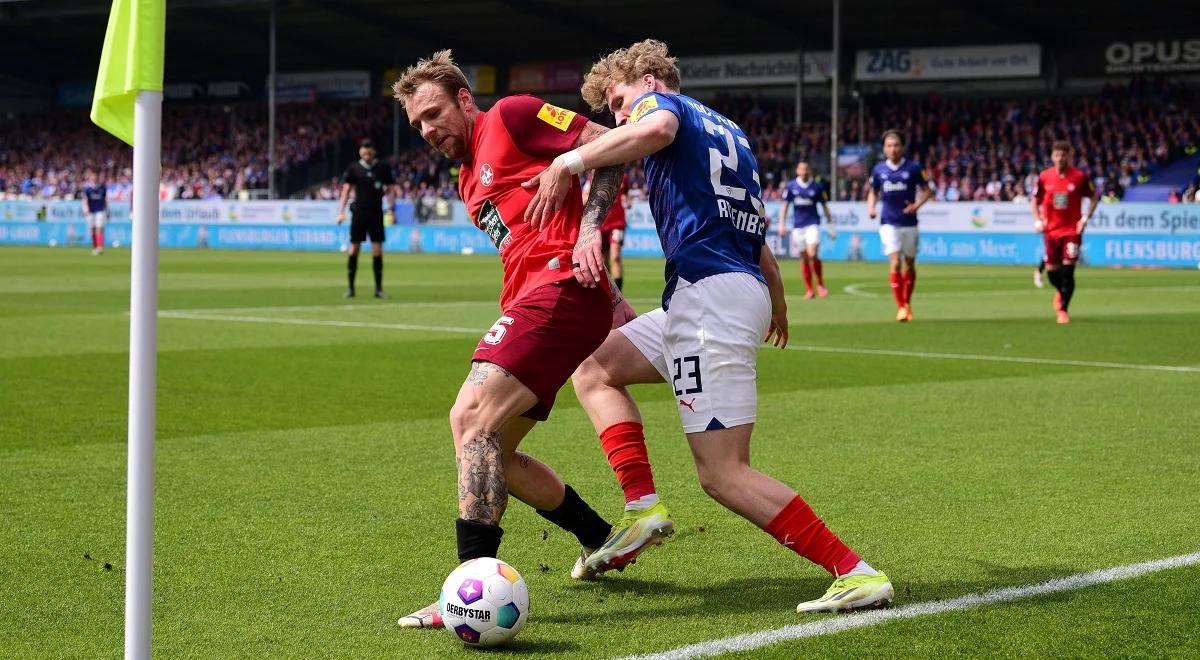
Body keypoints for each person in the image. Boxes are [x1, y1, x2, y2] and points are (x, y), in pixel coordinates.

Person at [523, 39, 893, 614]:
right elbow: (752, 233)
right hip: (710, 295)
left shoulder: (661, 109)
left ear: (646, 78)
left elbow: (655, 129)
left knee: (722, 474)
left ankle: (854, 571)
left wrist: (568, 162)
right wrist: (776, 297)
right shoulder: (730, 131)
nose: (618, 117)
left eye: (619, 101)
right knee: (595, 368)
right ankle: (642, 507)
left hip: (709, 302)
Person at [390, 50, 647, 630]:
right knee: (495, 450)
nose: (429, 130)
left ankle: (469, 587)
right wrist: (608, 298)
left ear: (463, 99)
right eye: (418, 125)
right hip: (548, 301)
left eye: (434, 113)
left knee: (470, 418)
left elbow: (609, 144)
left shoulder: (510, 114)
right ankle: (603, 539)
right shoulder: (465, 177)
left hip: (559, 292)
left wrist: (589, 237)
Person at [866, 130, 933, 322]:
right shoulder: (879, 170)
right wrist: (871, 207)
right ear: (884, 149)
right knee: (895, 262)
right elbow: (873, 191)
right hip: (888, 222)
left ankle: (907, 302)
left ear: (902, 147)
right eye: (889, 146)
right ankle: (901, 307)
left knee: (909, 263)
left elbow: (928, 191)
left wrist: (917, 205)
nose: (892, 149)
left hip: (909, 223)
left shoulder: (913, 167)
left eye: (896, 145)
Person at [1031, 140, 1098, 324]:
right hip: (1051, 231)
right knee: (1053, 272)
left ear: (1069, 156)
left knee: (1068, 271)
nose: (1060, 158)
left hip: (1071, 231)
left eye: (1064, 154)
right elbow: (1034, 201)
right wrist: (1037, 220)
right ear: (1052, 157)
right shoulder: (1044, 177)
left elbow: (1094, 197)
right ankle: (1061, 292)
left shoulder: (1079, 177)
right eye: (1057, 154)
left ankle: (1063, 310)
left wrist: (1084, 219)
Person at [336, 139, 396, 298]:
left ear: (374, 152)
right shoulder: (353, 168)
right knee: (354, 248)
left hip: (376, 213)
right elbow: (346, 190)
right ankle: (350, 288)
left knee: (377, 250)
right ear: (360, 152)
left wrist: (391, 209)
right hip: (359, 213)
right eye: (363, 150)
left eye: (369, 150)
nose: (366, 153)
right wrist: (340, 211)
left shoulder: (382, 168)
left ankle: (378, 289)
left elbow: (390, 189)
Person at [777, 161, 836, 299]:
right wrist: (782, 224)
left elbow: (824, 206)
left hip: (813, 224)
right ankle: (809, 289)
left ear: (809, 171)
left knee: (812, 253)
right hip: (798, 226)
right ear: (797, 171)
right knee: (804, 258)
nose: (804, 171)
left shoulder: (817, 187)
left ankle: (820, 284)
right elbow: (785, 206)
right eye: (801, 169)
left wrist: (830, 223)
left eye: (806, 169)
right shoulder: (791, 186)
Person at [80, 172, 107, 256]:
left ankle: (100, 247)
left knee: (99, 227)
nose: (94, 179)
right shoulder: (88, 189)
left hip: (100, 210)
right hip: (91, 211)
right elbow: (85, 200)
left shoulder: (102, 188)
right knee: (92, 229)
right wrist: (85, 209)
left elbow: (105, 199)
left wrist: (107, 210)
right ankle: (95, 247)